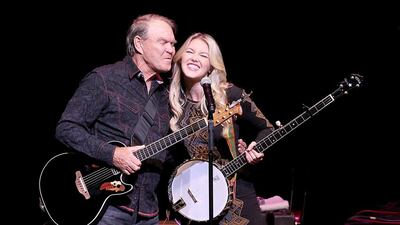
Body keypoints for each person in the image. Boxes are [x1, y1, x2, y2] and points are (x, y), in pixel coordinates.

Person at [55, 14, 177, 225]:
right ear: (139, 43)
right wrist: (113, 154)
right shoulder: (105, 78)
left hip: (149, 212)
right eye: (163, 42)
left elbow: (170, 156)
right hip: (106, 207)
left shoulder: (168, 97)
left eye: (173, 44)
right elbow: (66, 128)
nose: (171, 50)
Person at [168, 32, 274, 225]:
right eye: (190, 51)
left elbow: (268, 129)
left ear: (211, 65)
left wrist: (255, 148)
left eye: (203, 55)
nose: (194, 58)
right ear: (180, 56)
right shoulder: (171, 101)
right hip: (194, 200)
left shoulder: (231, 95)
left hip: (236, 195)